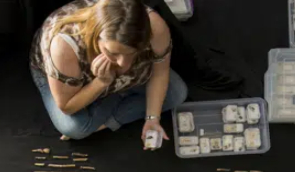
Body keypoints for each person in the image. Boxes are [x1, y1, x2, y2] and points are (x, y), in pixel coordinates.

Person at [29, 0, 188, 144]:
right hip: (67, 78)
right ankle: (121, 95)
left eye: (132, 53)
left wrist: (152, 118)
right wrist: (101, 82)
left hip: (127, 76)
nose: (122, 63)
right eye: (113, 53)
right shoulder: (64, 46)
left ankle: (108, 111)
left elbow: (160, 73)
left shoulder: (155, 27)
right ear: (96, 36)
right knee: (74, 128)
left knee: (177, 93)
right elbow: (67, 106)